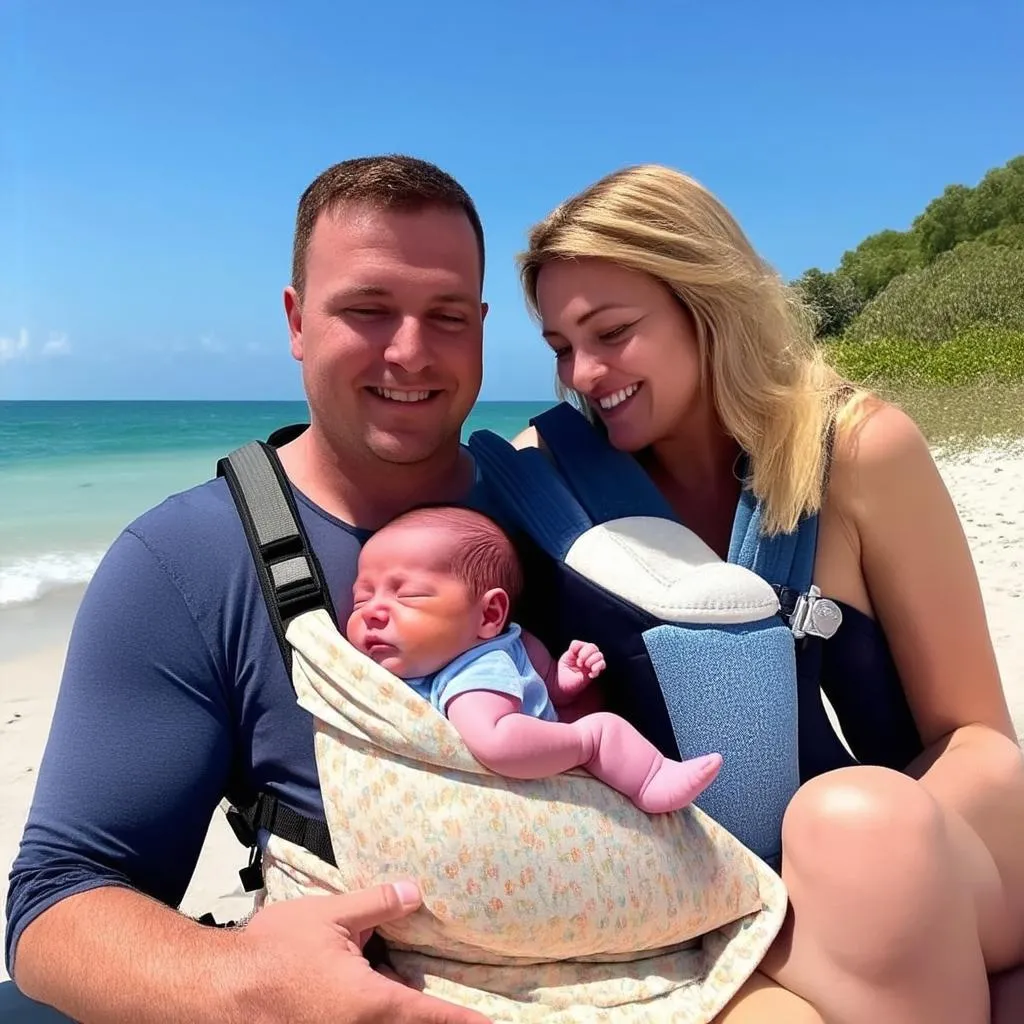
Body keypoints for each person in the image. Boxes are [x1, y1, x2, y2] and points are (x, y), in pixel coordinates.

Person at [510, 162, 1024, 1023]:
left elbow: (976, 734)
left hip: (924, 840)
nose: (585, 374)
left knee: (849, 825)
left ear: (706, 306)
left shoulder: (862, 452)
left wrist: (857, 879)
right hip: (732, 893)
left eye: (612, 332)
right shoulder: (547, 484)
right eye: (562, 348)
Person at [4, 155, 497, 1024]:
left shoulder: (560, 515)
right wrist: (247, 988)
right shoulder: (187, 561)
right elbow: (54, 905)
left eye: (448, 316)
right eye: (367, 310)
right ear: (297, 320)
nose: (411, 350)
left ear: (484, 325)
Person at [346, 503, 723, 811]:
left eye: (407, 596)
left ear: (491, 615)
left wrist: (566, 687)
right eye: (361, 598)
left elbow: (520, 713)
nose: (372, 612)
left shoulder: (488, 661)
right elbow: (516, 717)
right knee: (598, 728)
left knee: (594, 719)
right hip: (532, 768)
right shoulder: (479, 668)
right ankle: (646, 776)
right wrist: (573, 714)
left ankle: (651, 777)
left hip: (543, 758)